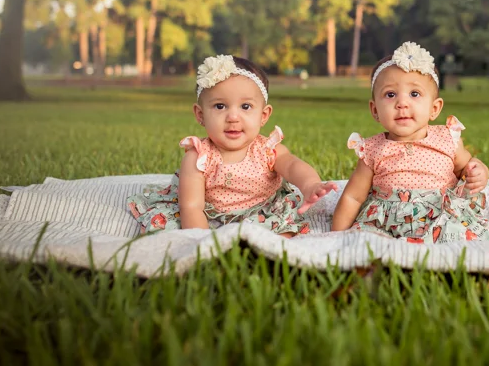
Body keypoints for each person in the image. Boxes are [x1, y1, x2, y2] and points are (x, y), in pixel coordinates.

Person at [127, 54, 337, 237]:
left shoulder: (267, 149)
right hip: (209, 216)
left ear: (263, 116)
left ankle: (264, 251)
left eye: (246, 106)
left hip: (263, 212)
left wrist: (310, 185)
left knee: (284, 232)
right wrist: (203, 242)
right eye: (220, 106)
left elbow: (292, 165)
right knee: (170, 229)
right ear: (200, 115)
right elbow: (191, 206)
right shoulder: (198, 157)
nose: (233, 117)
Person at [331, 42, 489, 243]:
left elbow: (467, 167)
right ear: (375, 110)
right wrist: (337, 237)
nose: (402, 103)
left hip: (440, 216)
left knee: (464, 238)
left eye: (414, 94)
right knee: (366, 242)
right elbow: (353, 197)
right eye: (390, 95)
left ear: (434, 109)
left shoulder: (447, 139)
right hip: (388, 222)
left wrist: (479, 172)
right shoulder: (372, 150)